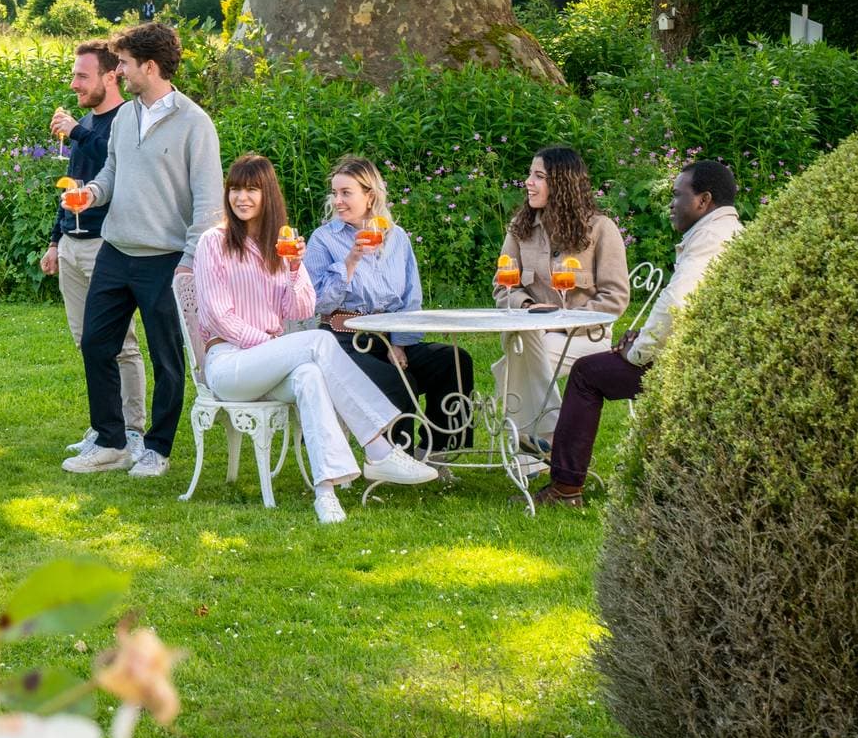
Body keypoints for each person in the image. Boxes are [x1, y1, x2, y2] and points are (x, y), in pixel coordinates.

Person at [194, 155, 440, 522]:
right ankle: (380, 451)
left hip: (274, 365)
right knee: (318, 344)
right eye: (235, 188)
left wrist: (295, 269)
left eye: (252, 189)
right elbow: (218, 316)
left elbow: (301, 308)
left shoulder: (279, 244)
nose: (241, 197)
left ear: (268, 195)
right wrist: (273, 346)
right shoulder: (213, 243)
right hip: (230, 363)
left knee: (310, 375)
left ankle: (326, 495)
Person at [532, 159, 744, 508]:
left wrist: (638, 352)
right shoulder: (729, 232)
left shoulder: (710, 239)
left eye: (678, 196)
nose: (671, 204)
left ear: (704, 201)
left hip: (698, 362)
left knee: (587, 374)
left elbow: (678, 301)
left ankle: (565, 488)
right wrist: (642, 335)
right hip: (709, 352)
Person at [62, 22, 222, 479]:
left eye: (126, 64)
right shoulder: (126, 116)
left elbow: (210, 205)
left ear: (149, 67)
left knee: (166, 357)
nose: (121, 71)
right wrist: (91, 194)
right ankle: (111, 441)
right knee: (96, 344)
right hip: (116, 249)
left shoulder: (196, 124)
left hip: (167, 260)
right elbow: (112, 170)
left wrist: (189, 264)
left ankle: (157, 448)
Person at [305, 156, 475, 457]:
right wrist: (351, 261)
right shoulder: (323, 240)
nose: (338, 201)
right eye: (335, 193)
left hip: (390, 337)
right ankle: (395, 457)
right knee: (399, 381)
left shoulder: (397, 238)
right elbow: (316, 302)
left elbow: (411, 299)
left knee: (454, 361)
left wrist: (399, 344)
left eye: (346, 193)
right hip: (344, 341)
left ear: (369, 195)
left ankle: (437, 451)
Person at [41, 39, 146, 459]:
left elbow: (118, 169)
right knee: (87, 342)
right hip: (72, 245)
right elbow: (73, 186)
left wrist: (78, 132)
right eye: (74, 75)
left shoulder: (125, 121)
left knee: (121, 343)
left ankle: (133, 431)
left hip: (108, 244)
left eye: (82, 76)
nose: (74, 84)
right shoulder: (86, 124)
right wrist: (54, 240)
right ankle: (104, 428)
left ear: (111, 75)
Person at [491, 146, 630, 461]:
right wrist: (527, 309)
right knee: (524, 342)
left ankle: (535, 448)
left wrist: (562, 320)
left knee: (512, 364)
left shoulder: (600, 229)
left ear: (562, 182)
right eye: (530, 174)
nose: (528, 182)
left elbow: (615, 297)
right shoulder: (520, 228)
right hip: (533, 334)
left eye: (538, 176)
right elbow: (502, 285)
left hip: (586, 337)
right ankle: (550, 444)